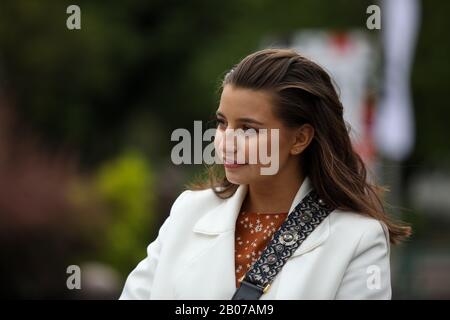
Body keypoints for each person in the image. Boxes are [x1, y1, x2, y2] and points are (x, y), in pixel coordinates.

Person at [120, 48, 411, 300]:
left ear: (300, 139)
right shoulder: (188, 212)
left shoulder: (358, 238)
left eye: (249, 129)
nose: (226, 141)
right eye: (223, 123)